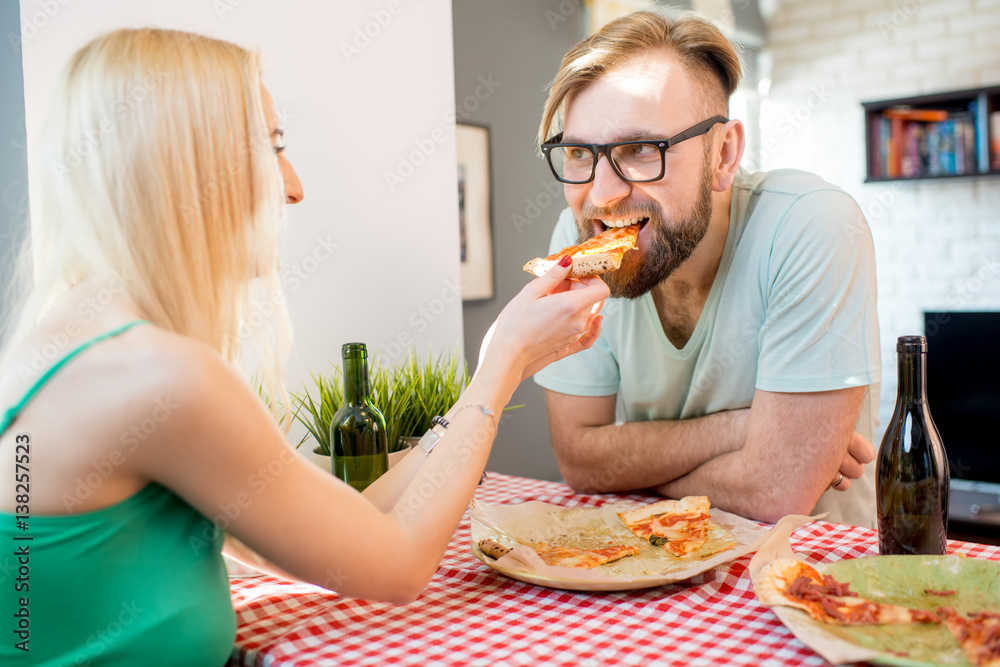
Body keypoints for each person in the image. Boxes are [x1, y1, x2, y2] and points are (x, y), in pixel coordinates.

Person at [0, 28, 609, 666]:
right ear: (188, 166)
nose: (293, 187)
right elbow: (396, 565)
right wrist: (501, 362)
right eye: (272, 147)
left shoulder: (72, 343)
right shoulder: (159, 379)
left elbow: (354, 522)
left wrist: (494, 378)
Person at [532, 10, 881, 527]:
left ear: (723, 155)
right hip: (649, 572)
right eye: (581, 153)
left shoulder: (812, 223)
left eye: (640, 149)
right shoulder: (580, 240)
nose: (602, 197)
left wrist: (629, 468)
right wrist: (743, 430)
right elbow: (580, 460)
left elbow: (774, 493)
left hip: (808, 586)